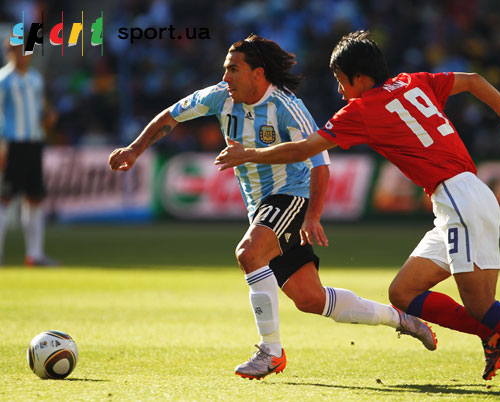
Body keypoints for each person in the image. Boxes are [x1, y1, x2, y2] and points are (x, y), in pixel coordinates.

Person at [215, 30, 500, 394]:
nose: (340, 90)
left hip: (460, 200)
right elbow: (472, 80)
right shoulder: (413, 81)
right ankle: (491, 333)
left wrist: (249, 154)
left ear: (359, 77)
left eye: (341, 81)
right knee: (403, 293)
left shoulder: (361, 110)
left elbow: (303, 149)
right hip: (459, 198)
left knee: (481, 304)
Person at [109, 34, 436, 380]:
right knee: (310, 299)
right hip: (261, 207)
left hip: (291, 195)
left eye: (233, 69)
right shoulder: (220, 97)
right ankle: (401, 319)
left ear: (258, 74)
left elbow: (321, 163)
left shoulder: (286, 107)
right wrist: (134, 149)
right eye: (225, 69)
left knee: (249, 253)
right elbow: (171, 116)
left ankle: (271, 352)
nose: (225, 77)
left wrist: (313, 215)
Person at [0, 40, 58, 267]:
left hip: (34, 142)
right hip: (12, 143)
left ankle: (35, 255)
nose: (24, 55)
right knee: (5, 197)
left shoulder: (35, 79)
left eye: (27, 50)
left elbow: (42, 108)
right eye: (19, 50)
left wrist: (48, 116)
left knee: (34, 197)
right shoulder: (3, 80)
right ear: (10, 52)